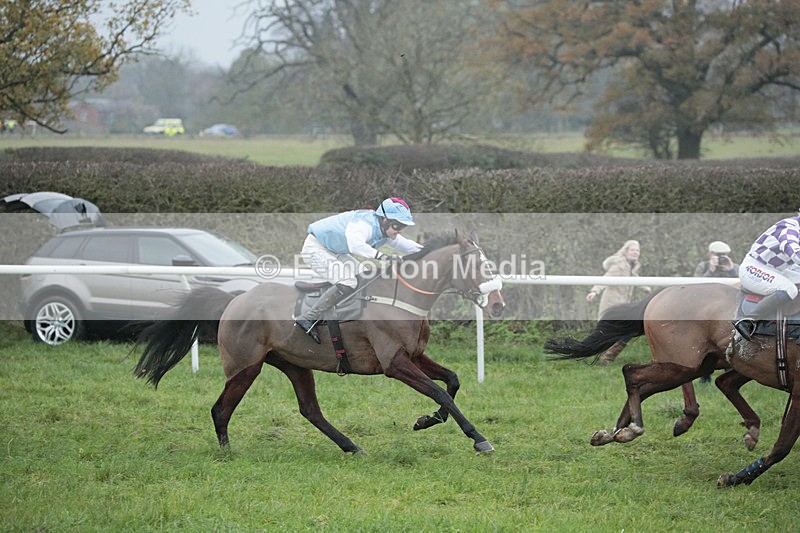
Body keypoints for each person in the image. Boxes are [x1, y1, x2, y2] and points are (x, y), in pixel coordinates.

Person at [294, 197, 423, 343]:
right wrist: (384, 257)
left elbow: (409, 246)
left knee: (364, 277)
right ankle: (308, 317)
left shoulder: (385, 231)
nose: (399, 231)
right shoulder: (364, 223)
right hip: (315, 248)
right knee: (348, 281)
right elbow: (355, 244)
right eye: (397, 226)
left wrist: (434, 249)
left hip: (335, 251)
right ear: (385, 220)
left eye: (402, 227)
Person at [734, 214, 800, 340]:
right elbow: (794, 253)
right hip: (754, 268)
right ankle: (747, 320)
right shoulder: (789, 227)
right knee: (789, 289)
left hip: (775, 270)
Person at [586, 239, 651, 364]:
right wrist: (594, 291)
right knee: (614, 332)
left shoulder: (631, 267)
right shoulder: (619, 265)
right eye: (633, 250)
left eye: (638, 250)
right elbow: (605, 279)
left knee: (626, 331)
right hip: (612, 305)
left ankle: (606, 356)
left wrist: (646, 288)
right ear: (626, 251)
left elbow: (635, 280)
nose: (636, 252)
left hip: (623, 306)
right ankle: (604, 356)